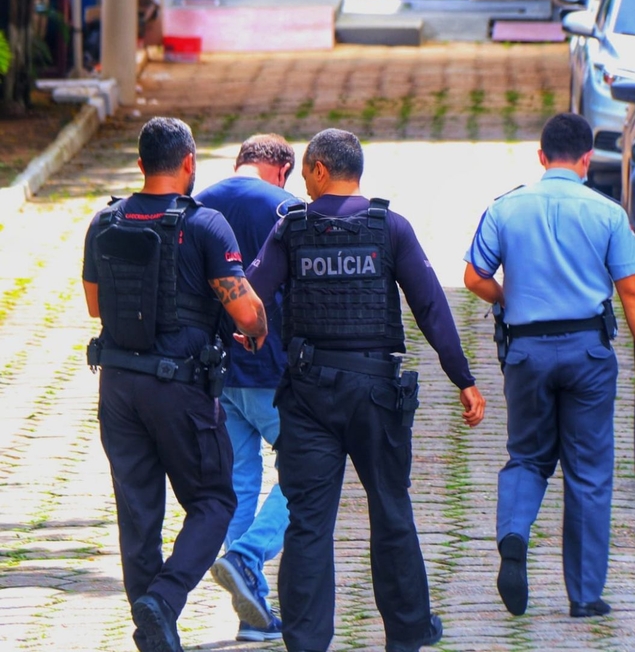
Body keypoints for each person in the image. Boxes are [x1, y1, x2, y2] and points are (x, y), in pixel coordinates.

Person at [246, 128, 486, 652]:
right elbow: (430, 307)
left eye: (307, 171)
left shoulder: (292, 231)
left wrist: (246, 330)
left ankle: (306, 641)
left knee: (308, 522)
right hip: (377, 392)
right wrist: (462, 378)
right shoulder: (390, 228)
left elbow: (250, 293)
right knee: (391, 508)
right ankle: (406, 632)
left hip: (309, 394)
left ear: (318, 169)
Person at [463, 112, 635, 619]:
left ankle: (513, 535)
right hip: (588, 353)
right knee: (590, 470)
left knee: (527, 456)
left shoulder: (506, 208)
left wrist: (507, 297)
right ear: (587, 159)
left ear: (540, 156)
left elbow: (472, 277)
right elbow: (633, 291)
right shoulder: (607, 213)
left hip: (526, 352)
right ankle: (584, 595)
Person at [81, 117, 268, 652]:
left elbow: (95, 305)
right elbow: (244, 309)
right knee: (213, 500)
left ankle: (152, 632)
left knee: (138, 512)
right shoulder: (205, 225)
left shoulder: (105, 222)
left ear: (140, 165)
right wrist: (256, 323)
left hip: (117, 387)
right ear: (190, 162)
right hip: (179, 389)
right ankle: (163, 601)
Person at [195, 134, 296, 643]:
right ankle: (248, 555)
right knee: (307, 471)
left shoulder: (200, 203)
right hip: (273, 369)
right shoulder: (286, 207)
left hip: (216, 372)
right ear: (281, 169)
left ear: (240, 161)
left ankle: (250, 613)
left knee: (238, 483)